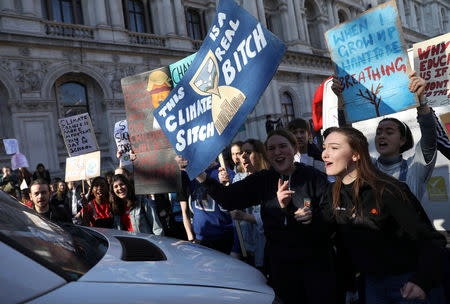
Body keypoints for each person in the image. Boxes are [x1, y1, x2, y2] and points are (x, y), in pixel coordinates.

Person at [196, 129, 335, 304]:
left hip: (316, 267)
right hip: (282, 269)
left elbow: (332, 217)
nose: (277, 152)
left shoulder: (314, 177)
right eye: (272, 148)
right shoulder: (263, 180)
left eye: (283, 146)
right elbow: (228, 199)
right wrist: (199, 174)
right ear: (267, 154)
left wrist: (313, 216)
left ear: (294, 149)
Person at [320, 126, 447, 304]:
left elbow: (431, 240)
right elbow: (325, 236)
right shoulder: (332, 193)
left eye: (334, 148)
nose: (325, 154)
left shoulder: (386, 190)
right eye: (324, 147)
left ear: (355, 155)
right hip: (372, 285)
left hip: (407, 284)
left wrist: (422, 281)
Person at [332, 71, 436, 201]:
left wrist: (421, 99)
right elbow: (347, 138)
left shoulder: (414, 167)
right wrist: (341, 99)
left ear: (402, 140)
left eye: (389, 132)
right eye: (379, 132)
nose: (382, 136)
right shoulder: (368, 167)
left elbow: (429, 135)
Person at [229, 139, 269, 270]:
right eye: (242, 153)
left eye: (248, 152)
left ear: (259, 154)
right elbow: (226, 204)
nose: (243, 156)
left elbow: (271, 217)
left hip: (267, 249)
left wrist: (245, 217)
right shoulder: (239, 178)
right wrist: (224, 185)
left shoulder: (270, 179)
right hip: (248, 246)